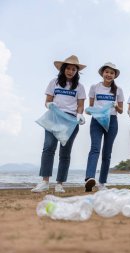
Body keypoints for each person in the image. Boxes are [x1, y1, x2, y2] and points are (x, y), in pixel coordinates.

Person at [31, 55, 87, 193]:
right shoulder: (54, 82)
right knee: (48, 148)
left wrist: (80, 114)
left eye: (74, 69)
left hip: (70, 122)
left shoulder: (79, 87)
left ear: (76, 72)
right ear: (63, 69)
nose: (70, 71)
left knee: (65, 153)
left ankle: (60, 183)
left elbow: (80, 105)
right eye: (68, 68)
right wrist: (50, 105)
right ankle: (44, 182)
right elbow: (47, 101)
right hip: (54, 118)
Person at [84, 62, 124, 192]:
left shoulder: (118, 90)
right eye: (107, 72)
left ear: (114, 76)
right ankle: (89, 178)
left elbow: (121, 110)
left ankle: (102, 183)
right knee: (95, 148)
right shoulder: (94, 87)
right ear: (102, 73)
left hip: (112, 121)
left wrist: (116, 106)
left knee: (107, 153)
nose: (109, 75)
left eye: (112, 73)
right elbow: (90, 106)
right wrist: (88, 111)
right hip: (97, 120)